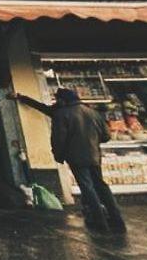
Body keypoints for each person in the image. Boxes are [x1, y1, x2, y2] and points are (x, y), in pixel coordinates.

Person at [10, 88, 126, 233]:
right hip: (94, 155)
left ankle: (100, 221)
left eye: (57, 99)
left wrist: (58, 155)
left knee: (87, 188)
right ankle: (117, 220)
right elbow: (106, 136)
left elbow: (58, 139)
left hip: (75, 156)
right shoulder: (92, 112)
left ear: (62, 100)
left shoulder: (61, 114)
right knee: (101, 186)